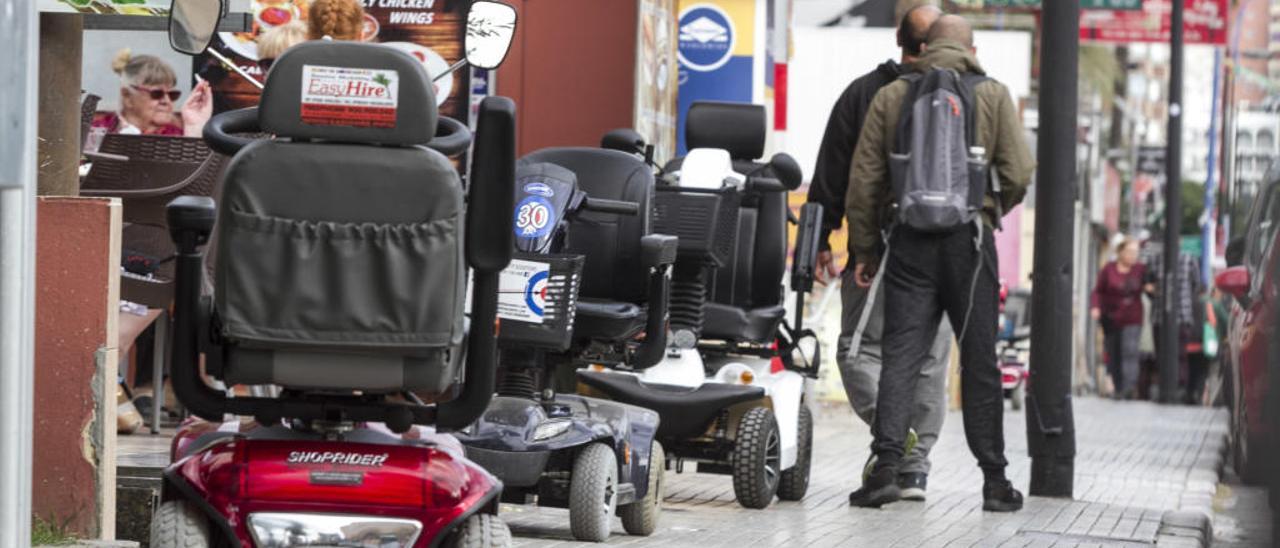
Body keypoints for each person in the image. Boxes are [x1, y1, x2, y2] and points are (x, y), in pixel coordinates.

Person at [845, 15, 1034, 511]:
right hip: (968, 244)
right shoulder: (992, 94)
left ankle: (886, 469)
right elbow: (1018, 171)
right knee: (979, 361)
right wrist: (988, 210)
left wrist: (865, 249)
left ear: (925, 46)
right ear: (972, 47)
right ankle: (995, 482)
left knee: (901, 357)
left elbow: (863, 180)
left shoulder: (893, 96)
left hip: (908, 242)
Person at [806, 3, 950, 502]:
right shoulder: (975, 94)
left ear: (899, 40)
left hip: (883, 246)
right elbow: (1012, 171)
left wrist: (825, 239)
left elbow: (839, 168)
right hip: (951, 251)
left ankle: (893, 436)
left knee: (857, 349)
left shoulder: (867, 93)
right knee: (931, 357)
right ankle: (914, 468)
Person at [92, 49, 211, 139]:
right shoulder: (96, 131)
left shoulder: (177, 137)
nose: (166, 101)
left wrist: (195, 130)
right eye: (157, 93)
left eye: (172, 95)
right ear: (127, 96)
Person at [1091, 238, 1152, 399]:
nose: (1133, 256)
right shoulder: (1108, 269)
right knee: (1113, 353)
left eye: (1136, 253)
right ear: (1120, 252)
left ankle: (1129, 387)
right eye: (1130, 252)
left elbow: (1150, 284)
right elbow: (1098, 291)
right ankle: (1118, 388)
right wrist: (1095, 307)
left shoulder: (1140, 269)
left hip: (1132, 317)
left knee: (1129, 351)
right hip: (1110, 318)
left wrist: (1150, 288)